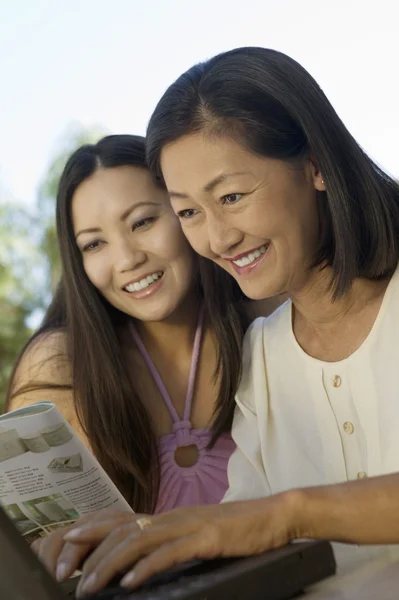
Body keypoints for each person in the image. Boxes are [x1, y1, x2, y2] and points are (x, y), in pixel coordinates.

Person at [33, 46, 399, 597]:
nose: (217, 238)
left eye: (232, 195)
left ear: (315, 167)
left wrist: (289, 514)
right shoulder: (264, 356)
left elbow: (267, 518)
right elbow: (238, 523)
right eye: (188, 212)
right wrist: (130, 536)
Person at [6, 133, 272, 519]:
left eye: (142, 222)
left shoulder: (264, 320)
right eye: (94, 245)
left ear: (187, 212)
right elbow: (55, 541)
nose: (127, 259)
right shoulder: (62, 364)